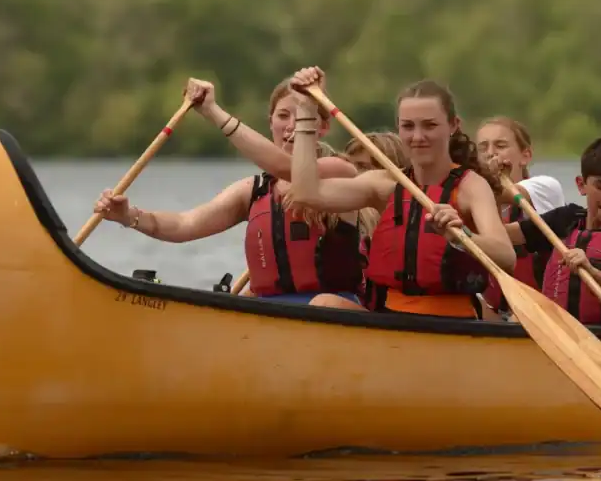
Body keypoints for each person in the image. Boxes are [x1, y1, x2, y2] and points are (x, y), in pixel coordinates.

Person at [93, 77, 365, 305]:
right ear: (270, 122)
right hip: (270, 315)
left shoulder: (340, 171)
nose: (292, 125)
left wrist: (213, 111)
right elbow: (185, 224)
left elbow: (287, 168)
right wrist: (129, 216)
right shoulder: (253, 191)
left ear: (323, 127)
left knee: (321, 304)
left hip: (332, 310)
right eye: (283, 116)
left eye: (302, 116)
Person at [282, 68, 516, 317]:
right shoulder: (385, 185)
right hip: (392, 317)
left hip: (451, 320)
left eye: (430, 125)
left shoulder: (471, 186)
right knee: (324, 303)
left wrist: (461, 236)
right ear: (399, 129)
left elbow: (506, 256)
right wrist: (306, 110)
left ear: (453, 126)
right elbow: (307, 193)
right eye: (408, 126)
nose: (417, 137)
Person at [508, 137, 601, 325]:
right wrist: (492, 182)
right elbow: (501, 237)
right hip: (560, 332)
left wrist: (592, 272)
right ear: (581, 185)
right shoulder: (564, 220)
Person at [476, 117, 566, 316]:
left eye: (500, 145)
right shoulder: (472, 199)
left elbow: (500, 195)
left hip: (545, 311)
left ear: (525, 156)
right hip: (498, 313)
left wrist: (480, 178)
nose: (491, 153)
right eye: (483, 148)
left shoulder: (545, 187)